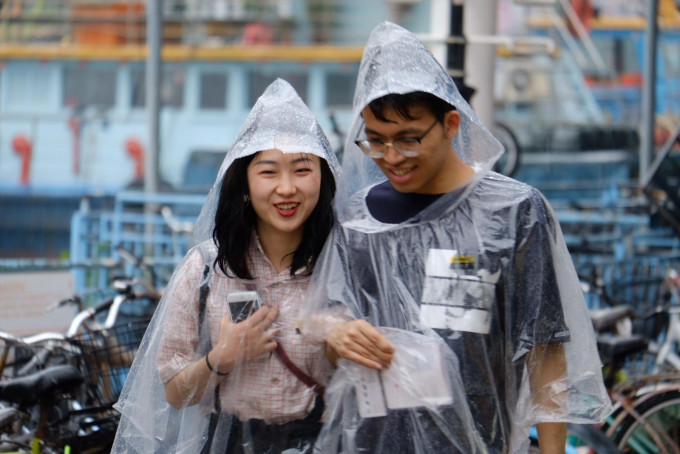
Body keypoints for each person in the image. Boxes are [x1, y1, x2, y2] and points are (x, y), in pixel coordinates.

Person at [299, 22, 611, 454]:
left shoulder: (514, 213)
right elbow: (327, 323)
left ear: (450, 123)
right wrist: (334, 332)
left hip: (479, 442)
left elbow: (544, 349)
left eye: (408, 140)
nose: (392, 157)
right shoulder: (357, 219)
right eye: (376, 141)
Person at [111, 78, 340, 454]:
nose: (287, 188)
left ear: (323, 176)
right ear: (245, 184)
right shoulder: (205, 270)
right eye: (268, 172)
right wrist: (222, 358)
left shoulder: (340, 267)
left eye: (302, 170)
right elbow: (175, 392)